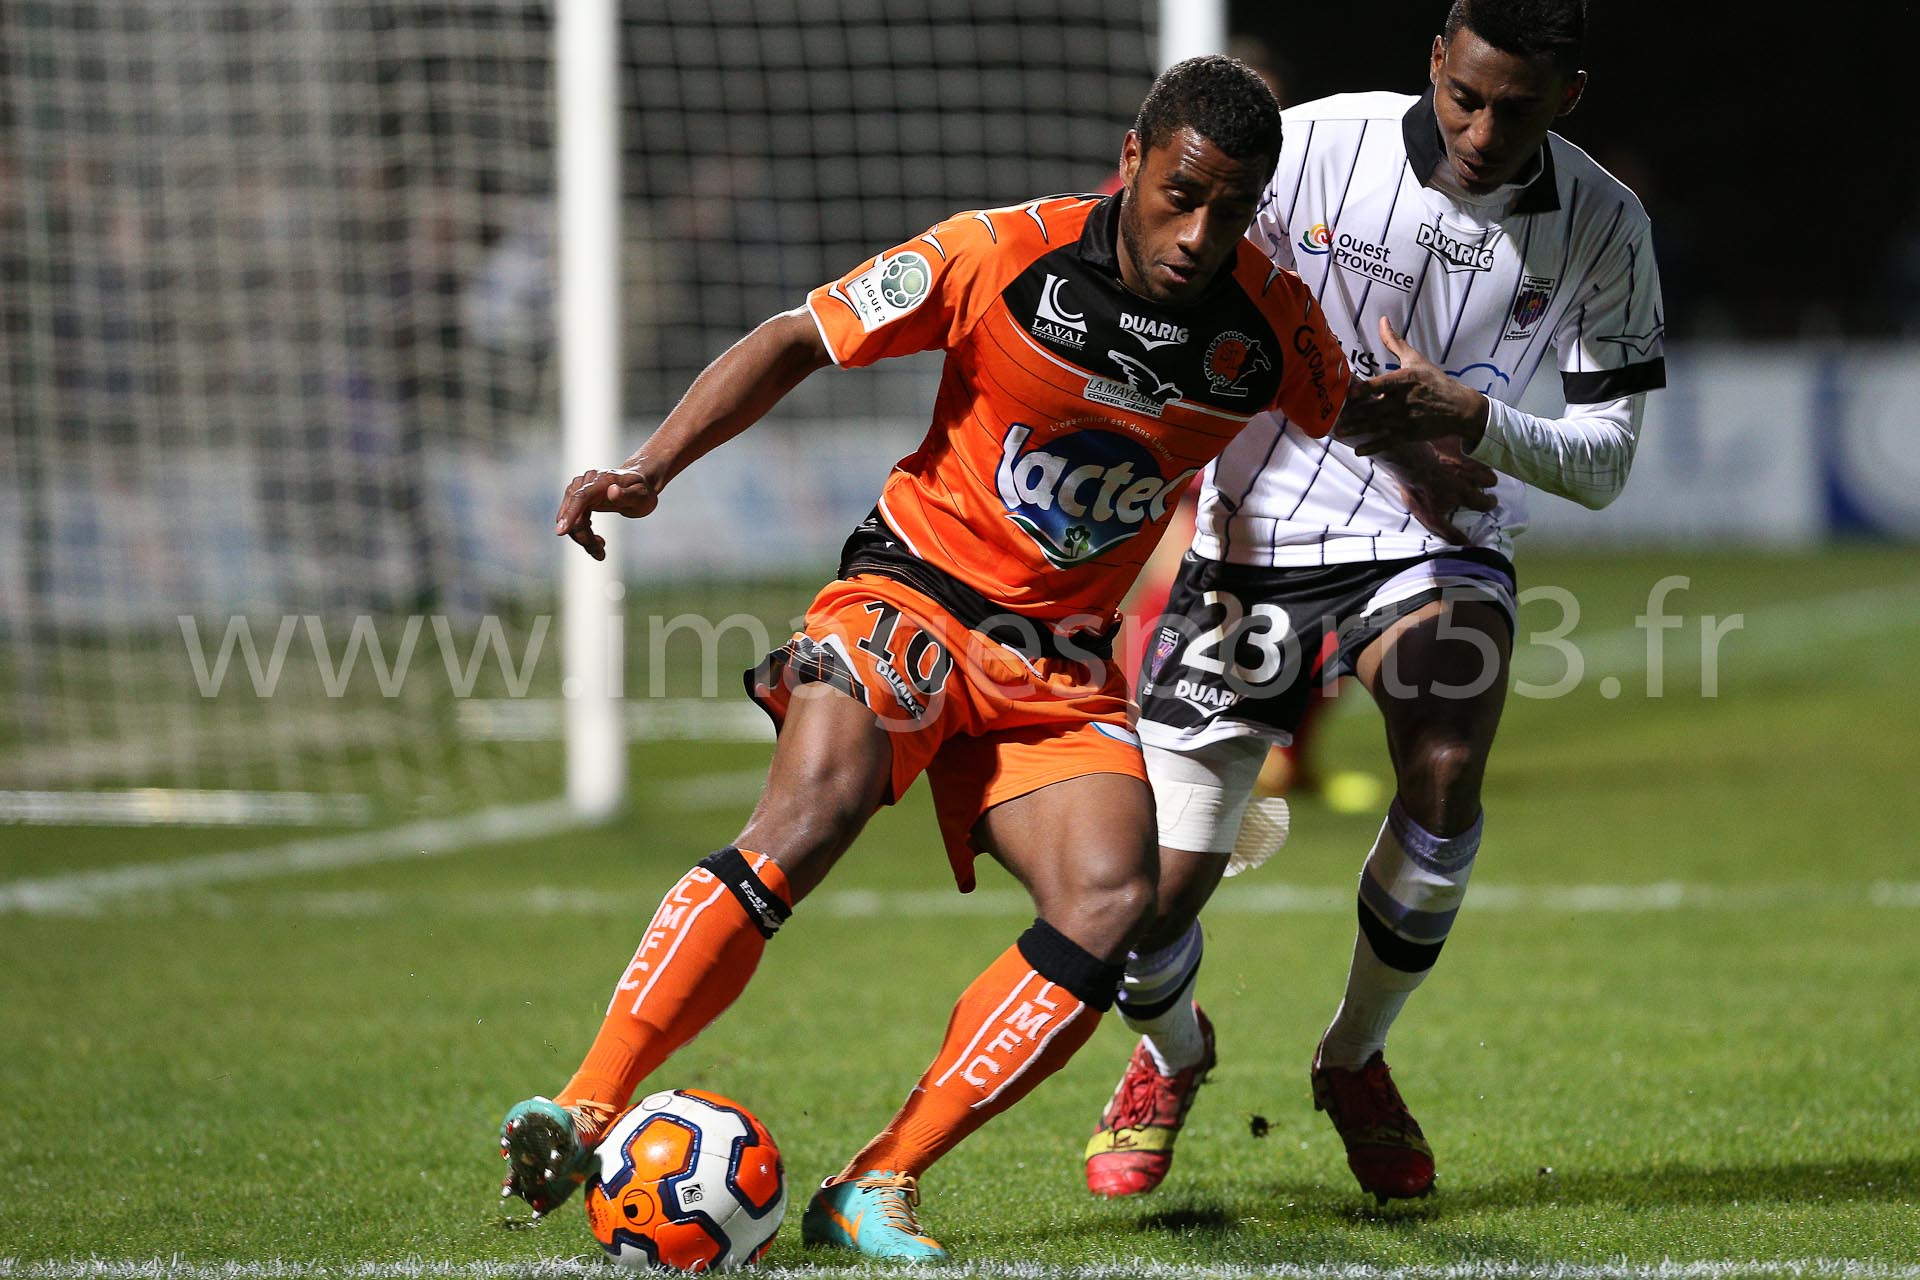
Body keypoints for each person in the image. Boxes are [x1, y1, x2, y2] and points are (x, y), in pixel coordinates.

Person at [500, 55, 1354, 1261]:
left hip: (1056, 661)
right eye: (1182, 194)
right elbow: (799, 335)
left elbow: (1359, 414)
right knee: (812, 811)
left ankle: (878, 1180)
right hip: (912, 592)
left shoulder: (1272, 326)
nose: (1200, 235)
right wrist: (650, 467)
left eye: (1232, 209)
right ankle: (588, 1099)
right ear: (1132, 160)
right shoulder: (998, 256)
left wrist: (1461, 440)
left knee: (1111, 899)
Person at [1083, 0, 1667, 1204]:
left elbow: (1608, 461)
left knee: (1445, 763)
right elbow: (1190, 297)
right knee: (1148, 894)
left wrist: (1474, 420)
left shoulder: (1608, 224)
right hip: (1256, 538)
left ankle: (1353, 1056)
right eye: (1466, 96)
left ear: (1569, 96)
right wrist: (1390, 438)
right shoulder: (1308, 147)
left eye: (1517, 110)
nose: (1482, 131)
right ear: (1436, 59)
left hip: (1437, 541)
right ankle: (1173, 1053)